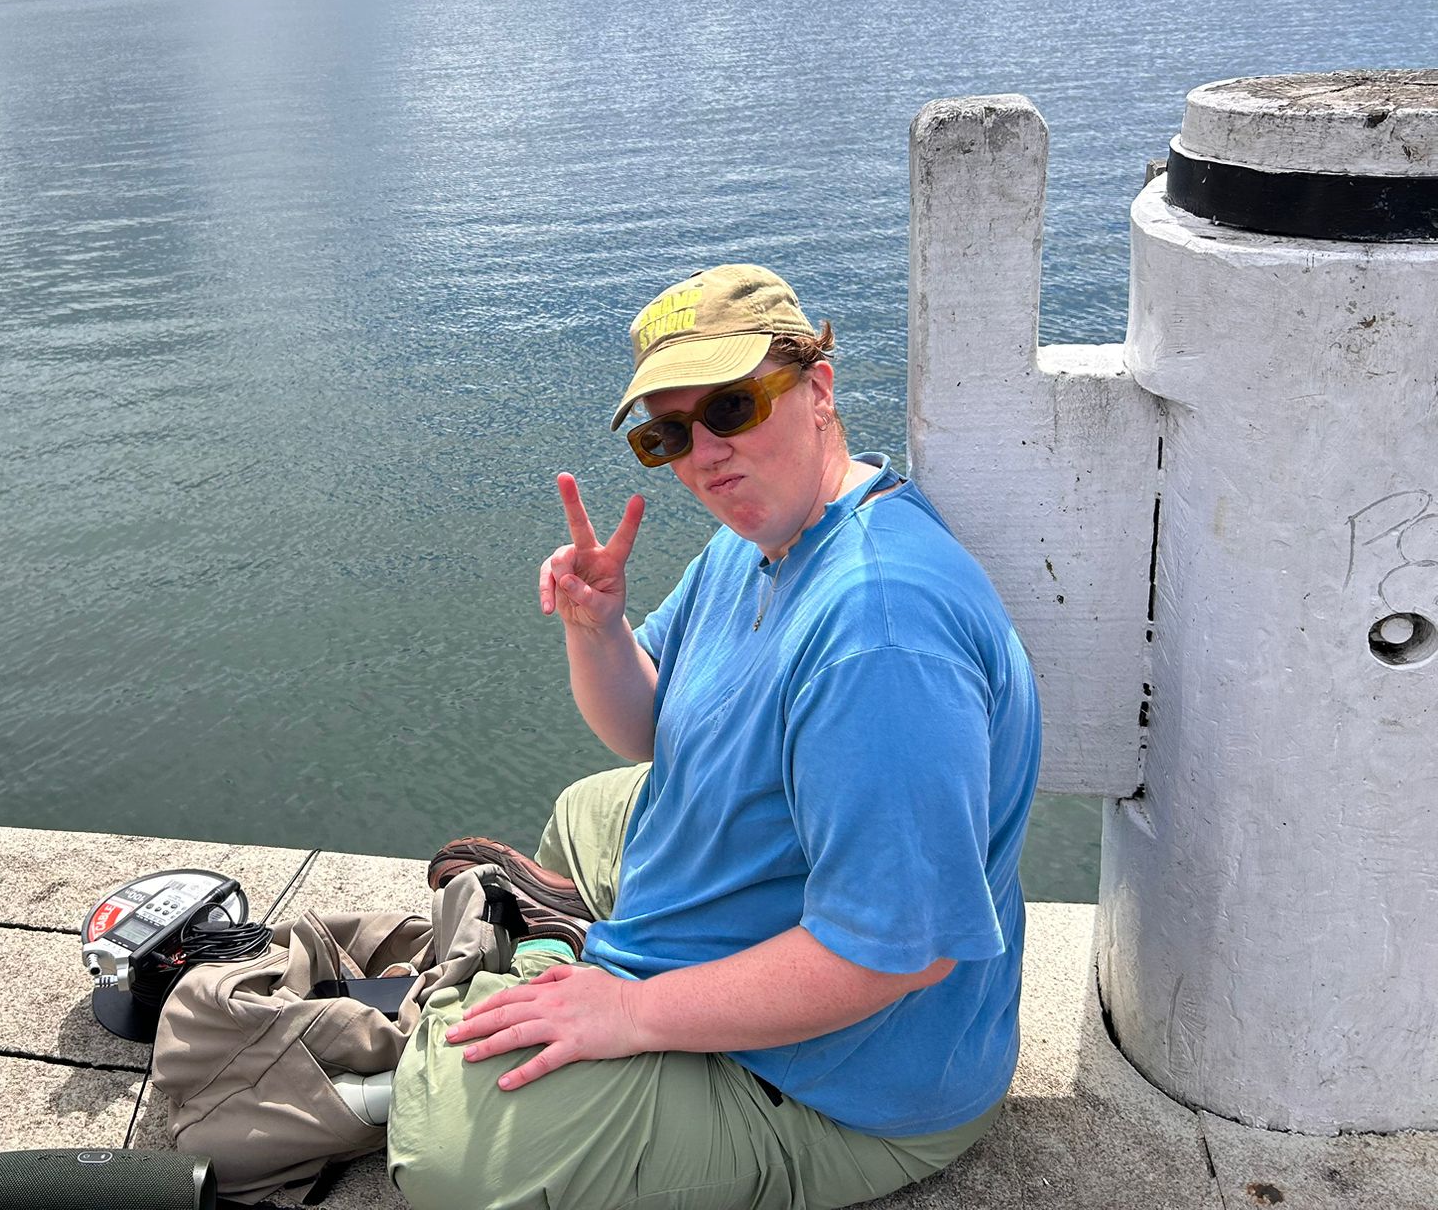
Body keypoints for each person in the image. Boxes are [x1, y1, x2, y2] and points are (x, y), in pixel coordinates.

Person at [387, 264, 1041, 1210]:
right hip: (768, 911)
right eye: (669, 435)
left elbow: (901, 953)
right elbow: (645, 726)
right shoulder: (758, 536)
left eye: (732, 407)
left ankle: (546, 969)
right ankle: (565, 955)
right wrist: (598, 630)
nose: (705, 456)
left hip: (849, 1080)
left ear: (818, 389)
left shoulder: (881, 636)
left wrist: (633, 1009)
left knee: (448, 1158)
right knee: (585, 810)